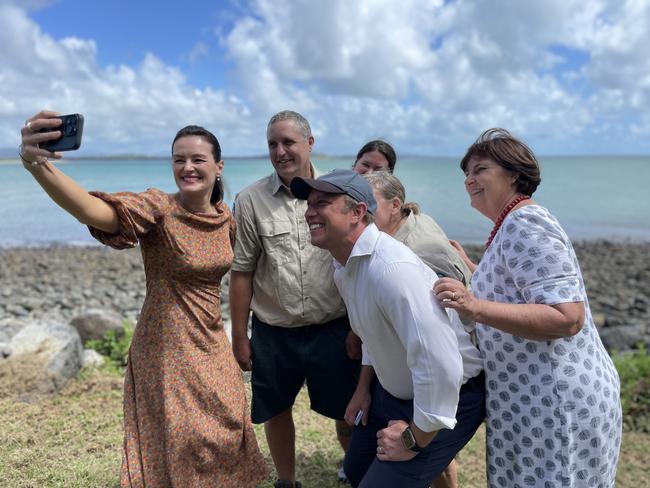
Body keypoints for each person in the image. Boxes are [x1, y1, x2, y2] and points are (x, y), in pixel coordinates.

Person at [18, 110, 268, 488]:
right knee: (181, 438)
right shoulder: (159, 208)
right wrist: (36, 165)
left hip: (211, 340)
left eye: (197, 159)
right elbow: (93, 210)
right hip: (164, 346)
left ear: (218, 167)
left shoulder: (226, 218)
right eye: (178, 159)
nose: (187, 167)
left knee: (227, 424)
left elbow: (249, 272)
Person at [433, 128, 622, 487]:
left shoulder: (525, 222)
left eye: (480, 169)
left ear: (514, 174)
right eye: (466, 174)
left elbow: (568, 317)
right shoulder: (508, 226)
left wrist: (473, 306)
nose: (469, 180)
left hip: (554, 399)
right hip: (530, 398)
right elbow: (519, 289)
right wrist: (476, 268)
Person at [290, 169, 485, 488]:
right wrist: (364, 389)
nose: (310, 211)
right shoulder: (345, 266)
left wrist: (414, 439)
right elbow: (373, 332)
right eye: (308, 203)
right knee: (355, 471)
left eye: (322, 202)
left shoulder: (391, 270)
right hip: (394, 391)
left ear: (357, 212)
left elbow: (441, 366)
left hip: (452, 395)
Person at [229, 111, 360, 488]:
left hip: (334, 326)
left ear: (309, 143)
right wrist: (240, 336)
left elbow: (357, 262)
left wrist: (358, 327)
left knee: (350, 409)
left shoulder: (339, 191)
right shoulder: (251, 199)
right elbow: (243, 272)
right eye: (272, 143)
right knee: (276, 409)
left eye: (288, 142)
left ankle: (356, 472)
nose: (280, 151)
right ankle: (286, 482)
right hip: (274, 330)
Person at [362, 171, 473, 488]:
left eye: (368, 204)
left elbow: (441, 330)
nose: (361, 211)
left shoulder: (416, 251)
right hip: (410, 367)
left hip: (448, 372)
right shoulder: (394, 232)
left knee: (430, 456)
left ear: (395, 205)